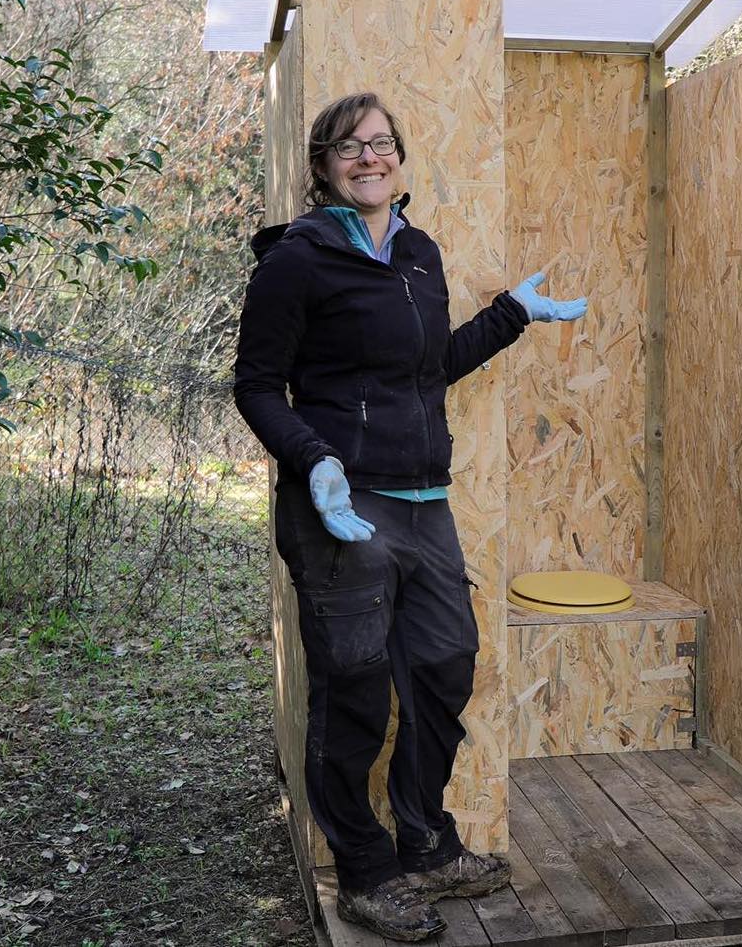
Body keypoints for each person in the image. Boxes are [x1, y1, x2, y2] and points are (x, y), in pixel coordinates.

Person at [232, 92, 586, 942]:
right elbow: (254, 383)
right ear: (323, 165)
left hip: (425, 504)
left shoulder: (419, 253)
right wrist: (313, 460)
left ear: (399, 158)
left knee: (443, 667)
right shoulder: (298, 260)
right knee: (355, 686)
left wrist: (510, 316)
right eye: (349, 148)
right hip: (341, 508)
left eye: (381, 144)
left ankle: (426, 840)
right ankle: (363, 869)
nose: (368, 158)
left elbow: (425, 373)